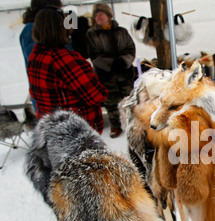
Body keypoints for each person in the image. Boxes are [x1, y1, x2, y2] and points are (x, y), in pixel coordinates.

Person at [27, 7, 108, 134]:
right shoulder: (63, 59)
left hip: (51, 130)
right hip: (75, 132)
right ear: (60, 28)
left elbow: (35, 93)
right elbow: (96, 95)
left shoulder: (36, 56)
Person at [86, 3, 136, 138]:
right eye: (96, 15)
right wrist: (111, 64)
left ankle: (133, 126)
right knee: (110, 102)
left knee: (129, 100)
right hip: (106, 75)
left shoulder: (122, 31)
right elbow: (94, 55)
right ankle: (115, 126)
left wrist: (124, 61)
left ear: (108, 15)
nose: (98, 17)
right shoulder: (92, 34)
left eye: (101, 14)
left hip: (125, 73)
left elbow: (131, 48)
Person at [20, 0, 62, 115]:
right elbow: (41, 63)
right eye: (57, 10)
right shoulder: (32, 30)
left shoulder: (38, 29)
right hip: (50, 99)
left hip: (56, 98)